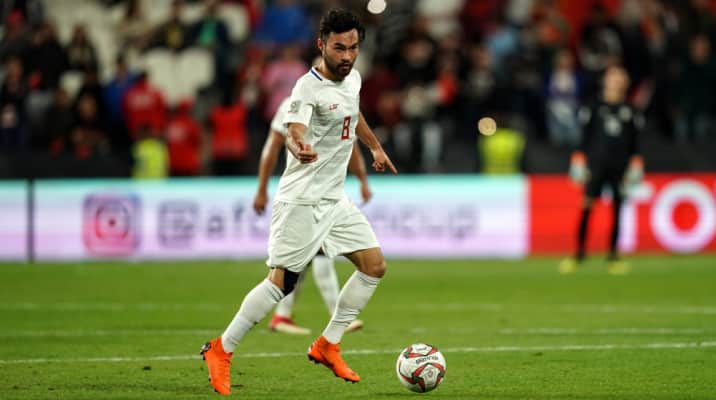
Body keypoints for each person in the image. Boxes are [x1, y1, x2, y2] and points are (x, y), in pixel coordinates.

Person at [200, 9, 397, 395]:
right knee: (281, 283)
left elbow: (353, 114)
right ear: (321, 45)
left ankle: (328, 344)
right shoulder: (306, 88)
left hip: (334, 199)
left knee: (374, 266)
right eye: (339, 48)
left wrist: (374, 147)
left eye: (353, 47)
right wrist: (299, 145)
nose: (347, 56)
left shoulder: (353, 79)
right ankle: (221, 348)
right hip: (302, 201)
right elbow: (293, 130)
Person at [254, 96, 373, 335]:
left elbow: (351, 146)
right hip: (304, 195)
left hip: (327, 193)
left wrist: (362, 179)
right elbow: (274, 146)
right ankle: (338, 317)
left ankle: (282, 316)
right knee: (317, 255)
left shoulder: (339, 101)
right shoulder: (294, 105)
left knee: (302, 260)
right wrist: (261, 190)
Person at [560, 65, 643, 276]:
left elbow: (635, 142)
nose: (617, 81)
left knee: (617, 208)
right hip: (596, 165)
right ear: (605, 80)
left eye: (621, 77)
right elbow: (584, 137)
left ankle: (613, 255)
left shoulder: (630, 110)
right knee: (587, 205)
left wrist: (636, 164)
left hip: (620, 167)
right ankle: (579, 253)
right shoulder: (593, 106)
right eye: (613, 76)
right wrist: (578, 161)